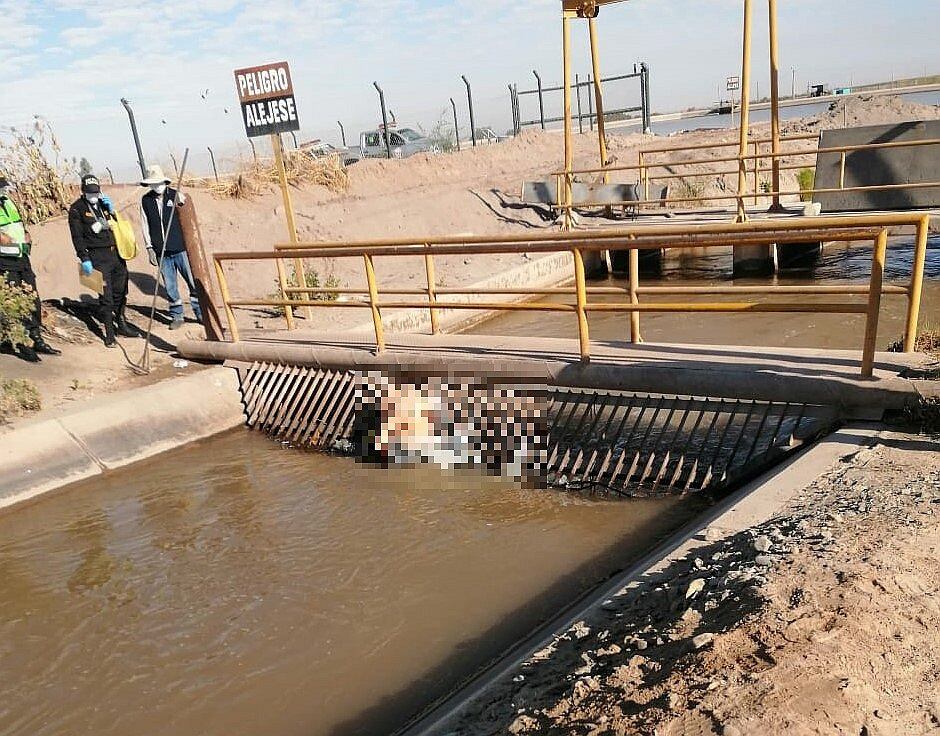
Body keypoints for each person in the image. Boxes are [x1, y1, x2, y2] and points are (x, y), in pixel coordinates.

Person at [68, 174, 134, 347]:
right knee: (106, 297)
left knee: (121, 292)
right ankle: (109, 334)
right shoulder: (77, 209)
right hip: (97, 257)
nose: (94, 195)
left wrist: (112, 211)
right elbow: (77, 237)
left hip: (115, 254)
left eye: (96, 192)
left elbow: (119, 226)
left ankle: (121, 323)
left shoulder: (104, 205)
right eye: (90, 192)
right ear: (83, 191)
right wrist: (84, 258)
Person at [0, 175, 61, 362]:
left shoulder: (8, 202)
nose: (4, 190)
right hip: (4, 261)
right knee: (14, 302)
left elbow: (19, 224)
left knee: (32, 299)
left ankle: (36, 338)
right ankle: (20, 342)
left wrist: (27, 235)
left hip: (21, 257)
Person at [138, 165, 202, 330]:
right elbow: (145, 225)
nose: (157, 186)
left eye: (159, 183)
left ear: (164, 182)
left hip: (180, 249)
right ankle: (177, 315)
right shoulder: (146, 201)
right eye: (153, 183)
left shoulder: (175, 195)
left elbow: (187, 212)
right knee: (171, 287)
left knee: (193, 283)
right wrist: (149, 247)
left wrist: (182, 202)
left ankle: (200, 313)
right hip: (162, 253)